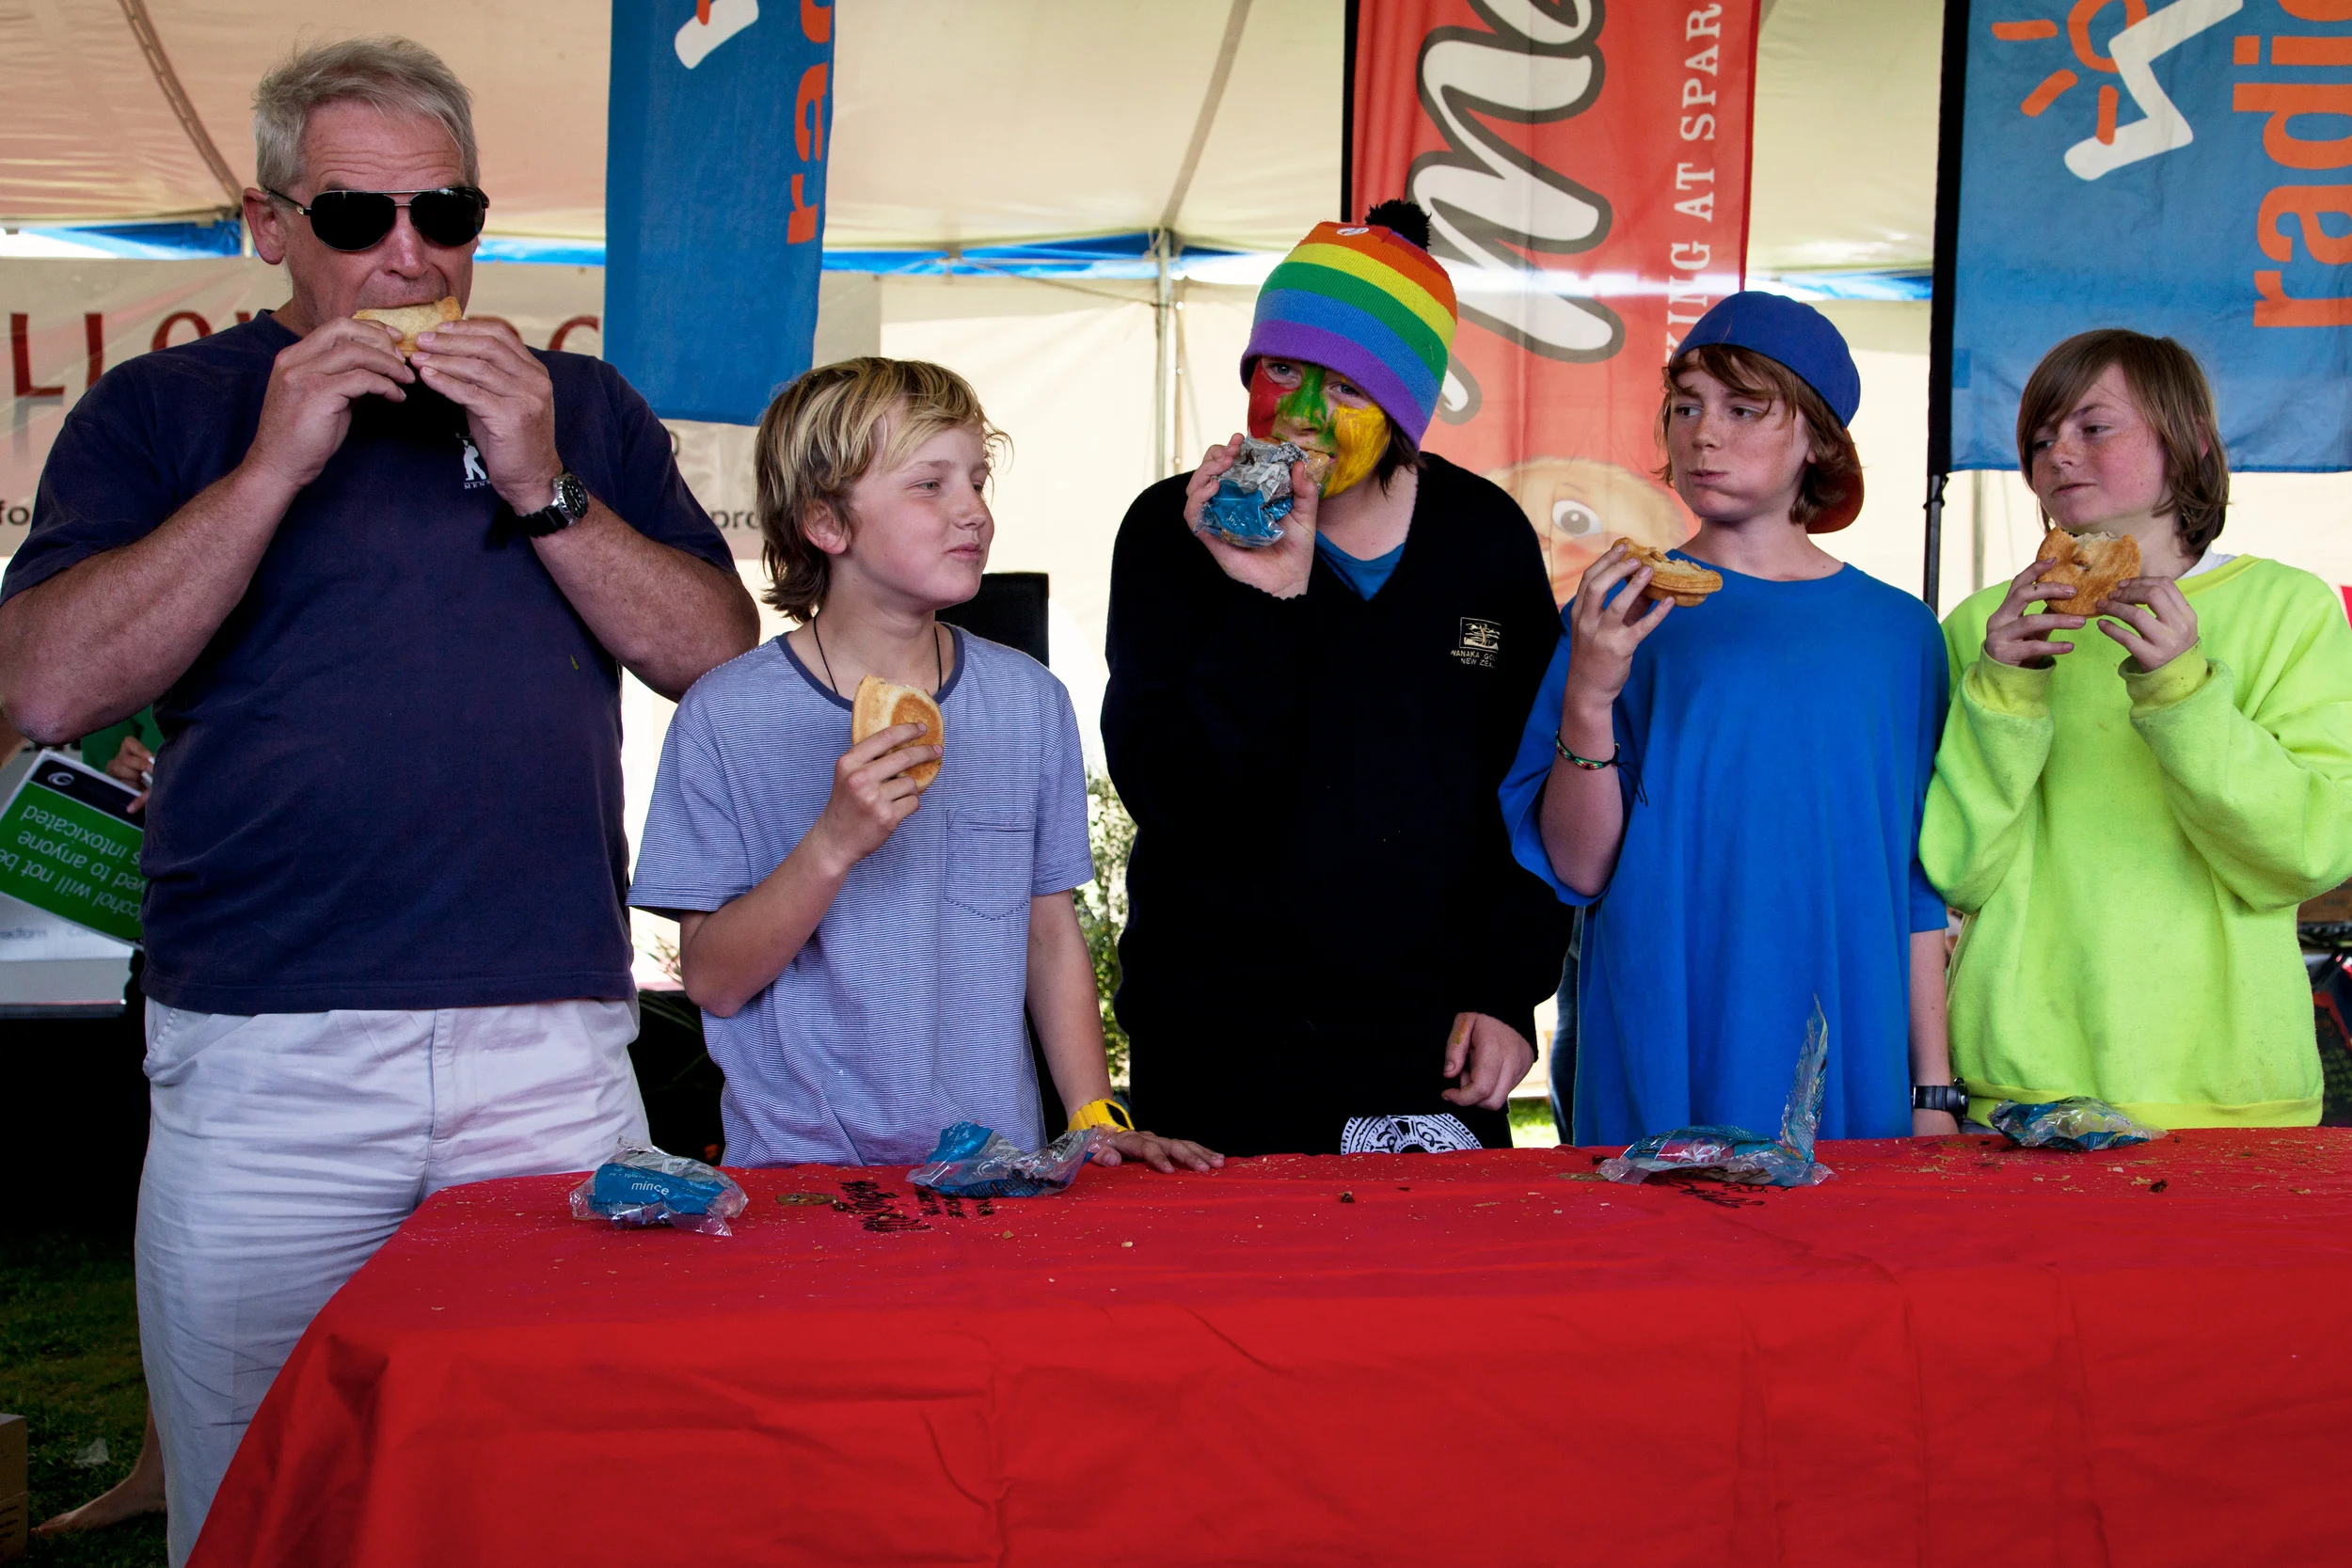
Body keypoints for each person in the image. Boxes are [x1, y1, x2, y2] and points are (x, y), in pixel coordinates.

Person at [0, 39, 757, 1562]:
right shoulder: (162, 408)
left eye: (444, 212)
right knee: (261, 1498)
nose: (408, 255)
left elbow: (718, 661)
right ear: (268, 224)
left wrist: (541, 479)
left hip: (546, 1043)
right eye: (356, 217)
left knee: (559, 1488)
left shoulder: (576, 404)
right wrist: (271, 468)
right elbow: (47, 686)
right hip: (268, 1048)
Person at [631, 357, 1219, 1173]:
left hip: (994, 1174)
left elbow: (1049, 935)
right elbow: (711, 981)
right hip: (798, 1180)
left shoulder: (1029, 702)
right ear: (826, 522)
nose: (973, 511)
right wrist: (832, 844)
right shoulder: (724, 716)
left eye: (977, 481)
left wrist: (1092, 1117)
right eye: (930, 485)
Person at [1104, 202, 1574, 1158]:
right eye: (1281, 369)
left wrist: (1506, 989)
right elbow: (1171, 796)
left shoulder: (1483, 540)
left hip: (1428, 1039)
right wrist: (1262, 599)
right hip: (1216, 1037)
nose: (1303, 414)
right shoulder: (1169, 532)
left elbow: (1530, 788)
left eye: (1349, 387)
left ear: (1405, 411)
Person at [1500, 293, 1956, 1147]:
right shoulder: (1617, 611)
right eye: (1686, 406)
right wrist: (1589, 694)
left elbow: (1916, 882)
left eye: (1744, 409)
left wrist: (1934, 1089)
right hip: (1666, 1024)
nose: (1703, 434)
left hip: (1849, 1038)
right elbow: (1580, 867)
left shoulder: (1901, 636)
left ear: (1817, 437)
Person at [1921, 329, 2352, 1127]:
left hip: (2233, 1096)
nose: (2058, 454)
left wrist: (2183, 691)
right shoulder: (1983, 626)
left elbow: (2308, 852)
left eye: (2094, 427)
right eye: (2040, 439)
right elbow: (1955, 870)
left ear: (2188, 442)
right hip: (2021, 1093)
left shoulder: (2291, 609)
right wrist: (2006, 690)